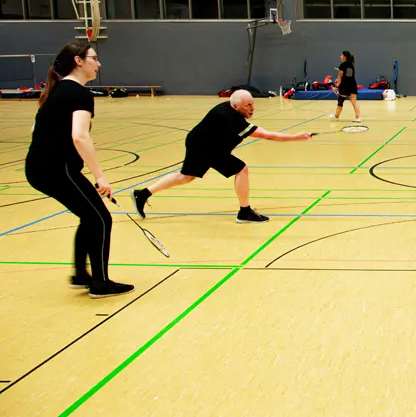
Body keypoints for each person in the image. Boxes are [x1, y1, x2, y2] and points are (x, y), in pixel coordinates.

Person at [24, 42, 134, 298]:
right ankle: (100, 283)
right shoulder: (79, 94)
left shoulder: (56, 90)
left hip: (41, 168)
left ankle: (81, 275)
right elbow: (80, 137)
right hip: (57, 171)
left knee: (90, 216)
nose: (99, 63)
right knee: (101, 219)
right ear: (78, 61)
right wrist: (100, 177)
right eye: (94, 58)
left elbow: (34, 130)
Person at [131, 90, 313, 223]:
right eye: (247, 105)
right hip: (205, 147)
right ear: (235, 106)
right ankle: (244, 211)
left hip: (206, 144)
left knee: (186, 177)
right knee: (240, 169)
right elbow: (267, 135)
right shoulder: (231, 118)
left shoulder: (231, 108)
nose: (252, 108)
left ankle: (143, 194)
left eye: (252, 104)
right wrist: (296, 137)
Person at [331, 51, 361, 122]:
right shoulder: (351, 65)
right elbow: (348, 76)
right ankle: (358, 118)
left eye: (341, 55)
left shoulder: (342, 65)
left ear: (345, 57)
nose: (340, 56)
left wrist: (336, 87)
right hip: (353, 85)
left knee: (340, 101)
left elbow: (340, 77)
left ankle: (336, 116)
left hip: (345, 86)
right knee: (354, 102)